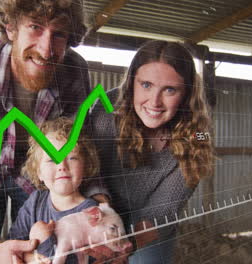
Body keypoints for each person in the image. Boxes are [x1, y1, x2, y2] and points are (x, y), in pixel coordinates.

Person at [0, 0, 108, 263]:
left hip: (38, 174)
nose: (46, 50)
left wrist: (103, 209)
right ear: (10, 27)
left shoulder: (73, 73)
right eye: (35, 27)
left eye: (59, 34)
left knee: (43, 249)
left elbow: (78, 146)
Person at [89, 40, 215, 263]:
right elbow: (87, 172)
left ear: (186, 94)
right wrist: (103, 218)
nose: (155, 102)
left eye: (169, 90)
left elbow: (164, 209)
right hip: (99, 207)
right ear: (131, 84)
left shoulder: (196, 138)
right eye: (146, 85)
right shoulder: (106, 109)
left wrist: (129, 246)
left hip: (151, 222)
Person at [8, 117, 101, 263]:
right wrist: (32, 258)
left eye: (71, 158)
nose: (62, 166)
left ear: (85, 166)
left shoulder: (91, 212)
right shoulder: (35, 202)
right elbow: (13, 244)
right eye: (51, 160)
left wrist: (44, 240)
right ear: (38, 171)